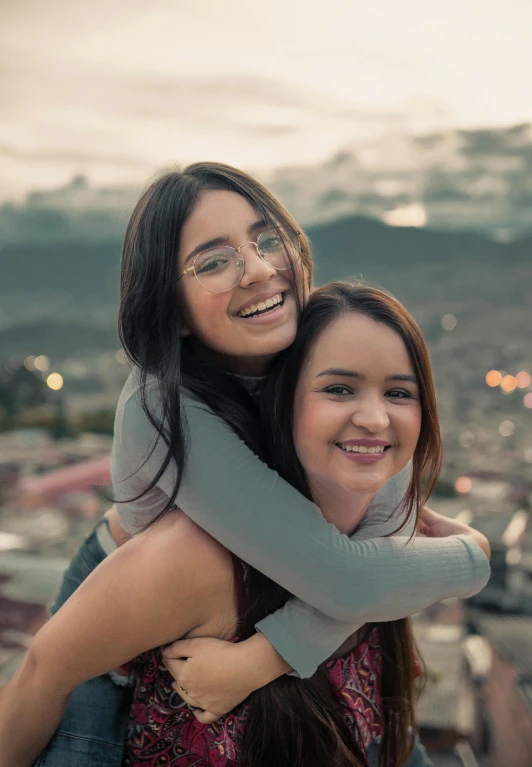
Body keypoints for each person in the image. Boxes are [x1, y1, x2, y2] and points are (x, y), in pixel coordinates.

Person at [14, 163, 488, 766]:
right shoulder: (164, 405)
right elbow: (349, 578)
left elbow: (377, 526)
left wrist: (265, 657)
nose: (260, 269)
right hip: (128, 606)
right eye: (214, 262)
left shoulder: (318, 344)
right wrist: (471, 558)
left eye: (266, 240)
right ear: (175, 310)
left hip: (270, 585)